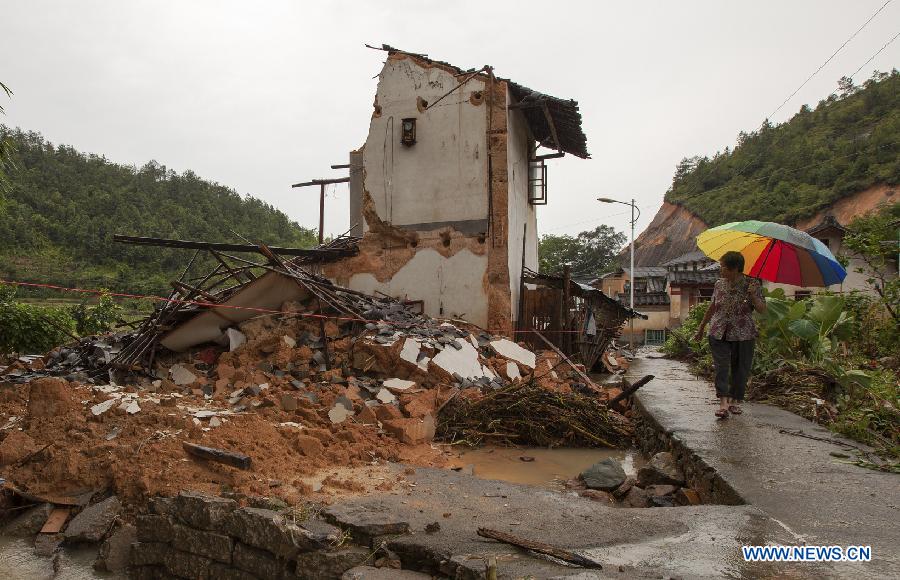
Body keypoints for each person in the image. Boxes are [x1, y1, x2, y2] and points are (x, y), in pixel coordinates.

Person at [694, 251, 767, 419]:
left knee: (740, 369)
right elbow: (713, 307)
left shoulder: (752, 284)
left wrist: (754, 296)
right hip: (718, 331)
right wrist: (700, 328)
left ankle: (735, 401)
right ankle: (723, 403)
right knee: (722, 366)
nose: (721, 270)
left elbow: (762, 310)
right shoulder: (719, 284)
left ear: (735, 269)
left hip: (743, 333)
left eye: (724, 267)